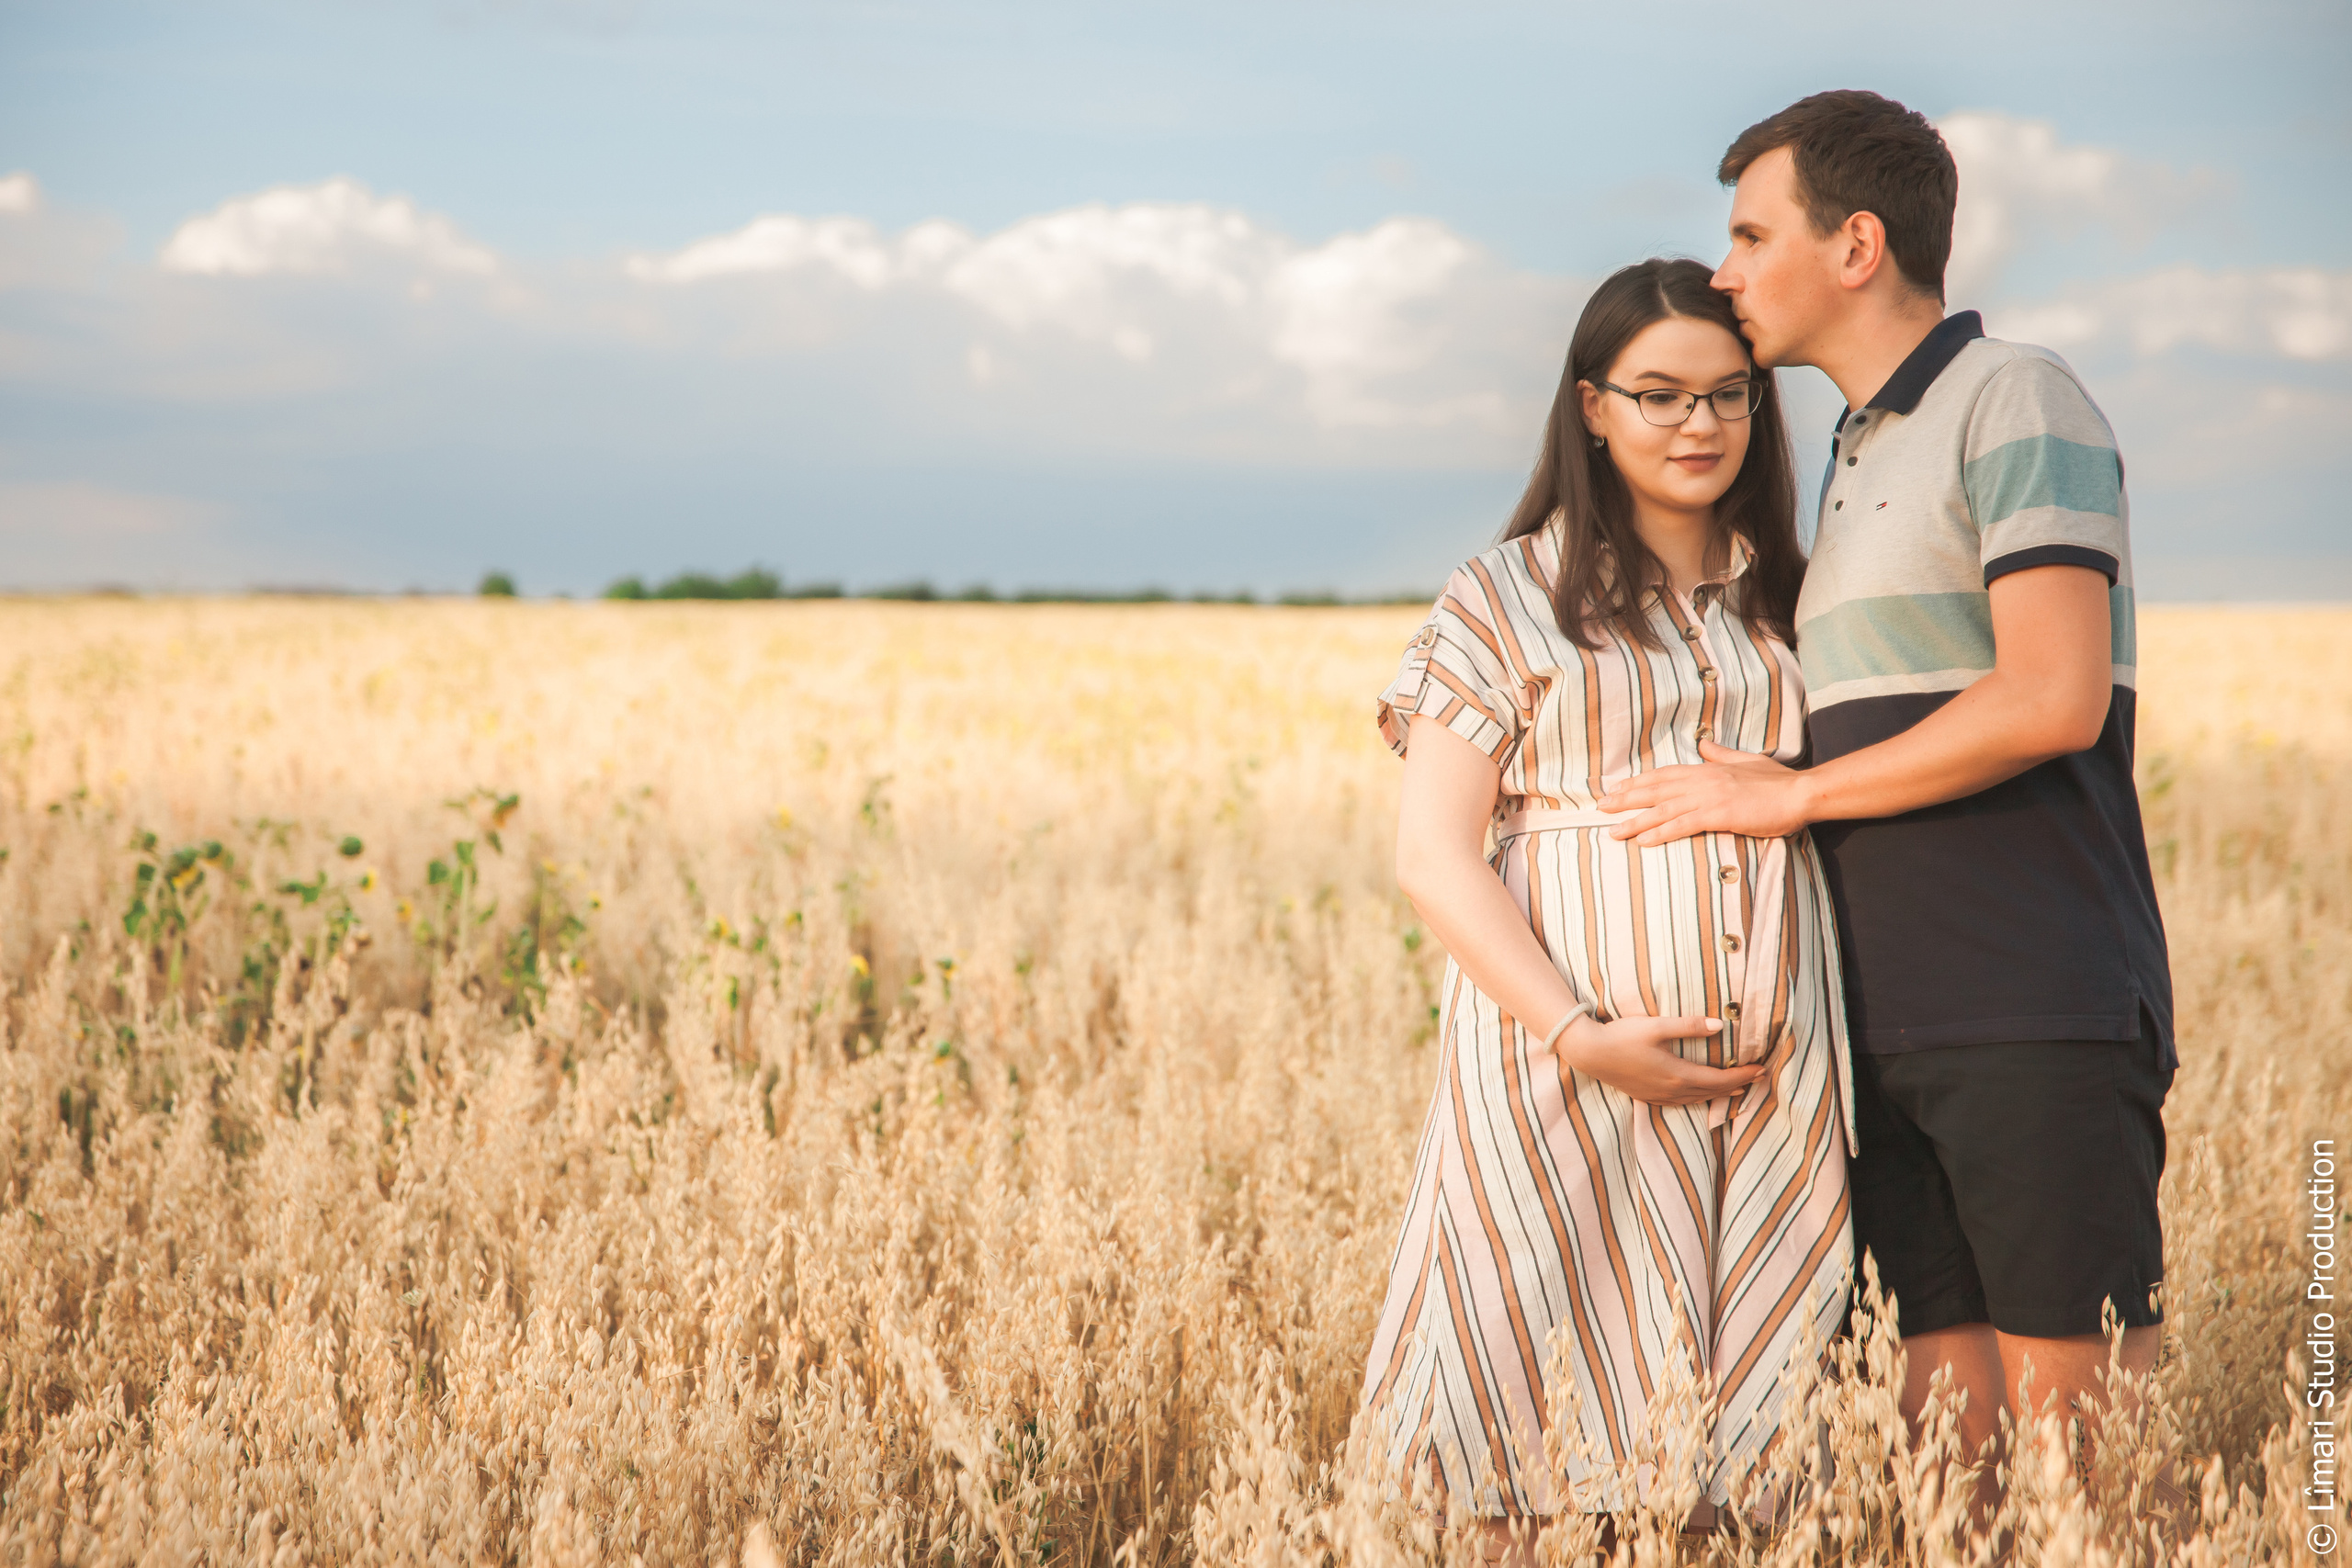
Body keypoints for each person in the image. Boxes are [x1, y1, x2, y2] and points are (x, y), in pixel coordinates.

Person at [1595, 90, 2177, 1506]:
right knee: (1949, 1478)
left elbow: (2054, 698)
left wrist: (1793, 801)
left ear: (1855, 244)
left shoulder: (2012, 396)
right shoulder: (1851, 453)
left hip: (2032, 1005)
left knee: (2082, 1479)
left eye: (1749, 232)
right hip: (1877, 1030)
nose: (1724, 270)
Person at [1359, 257, 1854, 1562]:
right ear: (1591, 407)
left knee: (1746, 1439)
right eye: (1660, 395)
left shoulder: (1800, 595)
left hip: (1773, 1082)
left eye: (1729, 397)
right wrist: (1579, 1031)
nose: (1700, 425)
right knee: (1523, 1400)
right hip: (1559, 1058)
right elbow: (1433, 855)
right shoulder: (1504, 595)